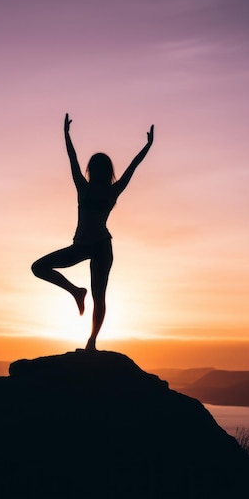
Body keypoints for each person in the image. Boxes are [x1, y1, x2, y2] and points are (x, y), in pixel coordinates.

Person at [32, 113, 154, 351]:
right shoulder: (83, 187)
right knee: (38, 267)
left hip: (101, 247)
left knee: (99, 296)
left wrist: (147, 146)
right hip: (80, 246)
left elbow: (132, 167)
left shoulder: (112, 191)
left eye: (100, 167)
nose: (96, 170)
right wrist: (66, 135)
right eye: (94, 166)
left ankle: (91, 342)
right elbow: (72, 159)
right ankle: (76, 291)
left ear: (104, 170)